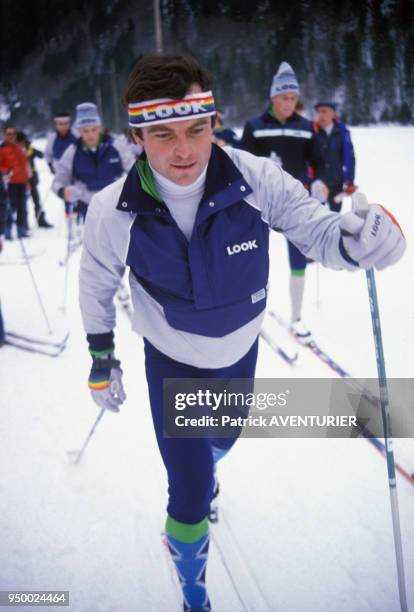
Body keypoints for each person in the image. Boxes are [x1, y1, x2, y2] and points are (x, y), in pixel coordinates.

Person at [78, 53, 405, 612]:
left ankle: (208, 470)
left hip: (238, 351)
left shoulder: (257, 178)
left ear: (214, 122)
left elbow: (316, 228)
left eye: (197, 130)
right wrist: (102, 359)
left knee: (223, 439)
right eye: (163, 134)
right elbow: (95, 285)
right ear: (136, 134)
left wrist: (356, 244)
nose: (183, 151)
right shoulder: (112, 212)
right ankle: (194, 595)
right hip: (171, 360)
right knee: (189, 488)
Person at [239, 61, 323, 341]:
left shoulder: (306, 127)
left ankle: (296, 318)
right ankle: (245, 311)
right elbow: (241, 165)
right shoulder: (254, 126)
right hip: (259, 202)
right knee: (249, 256)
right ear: (273, 97)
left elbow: (319, 162)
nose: (290, 103)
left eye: (294, 98)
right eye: (285, 97)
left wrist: (321, 184)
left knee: (298, 258)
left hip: (293, 203)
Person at [52, 102, 130, 221]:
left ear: (100, 128)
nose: (90, 135)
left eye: (94, 129)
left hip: (117, 205)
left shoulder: (116, 145)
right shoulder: (72, 151)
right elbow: (58, 181)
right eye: (85, 131)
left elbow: (135, 169)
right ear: (79, 131)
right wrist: (63, 192)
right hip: (89, 207)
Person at [313, 101, 356, 212]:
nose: (321, 115)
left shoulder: (342, 132)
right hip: (317, 182)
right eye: (319, 112)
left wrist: (350, 181)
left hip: (336, 181)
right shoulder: (312, 131)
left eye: (324, 111)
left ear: (333, 114)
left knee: (335, 216)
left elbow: (350, 158)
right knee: (316, 216)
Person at [16, 132, 53, 228]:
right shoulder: (14, 150)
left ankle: (40, 220)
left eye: (23, 142)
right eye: (20, 142)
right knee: (21, 203)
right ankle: (23, 224)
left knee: (36, 200)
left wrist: (31, 151)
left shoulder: (29, 147)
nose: (22, 144)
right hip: (20, 180)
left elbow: (41, 155)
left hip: (32, 179)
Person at [0, 125, 30, 239]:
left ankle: (21, 230)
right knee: (9, 207)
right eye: (9, 134)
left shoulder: (19, 148)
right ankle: (7, 230)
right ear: (5, 135)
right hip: (9, 182)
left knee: (22, 206)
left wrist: (27, 181)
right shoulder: (2, 149)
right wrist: (6, 171)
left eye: (13, 133)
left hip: (21, 182)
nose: (11, 136)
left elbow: (24, 166)